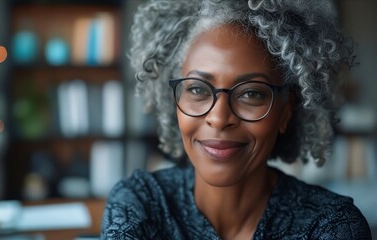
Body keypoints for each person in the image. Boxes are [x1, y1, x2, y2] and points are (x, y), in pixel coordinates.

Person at [101, 0, 372, 239]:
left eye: (251, 94)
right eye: (197, 89)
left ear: (286, 111)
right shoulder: (139, 203)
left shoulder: (332, 225)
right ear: (177, 101)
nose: (219, 118)